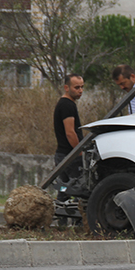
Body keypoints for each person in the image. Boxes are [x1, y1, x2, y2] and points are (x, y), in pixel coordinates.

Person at [52, 74, 85, 203]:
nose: (80, 90)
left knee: (63, 188)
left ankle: (62, 218)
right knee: (78, 189)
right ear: (67, 87)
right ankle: (77, 220)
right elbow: (70, 133)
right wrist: (79, 151)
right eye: (76, 87)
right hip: (70, 156)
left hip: (61, 155)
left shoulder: (65, 104)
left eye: (82, 87)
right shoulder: (67, 105)